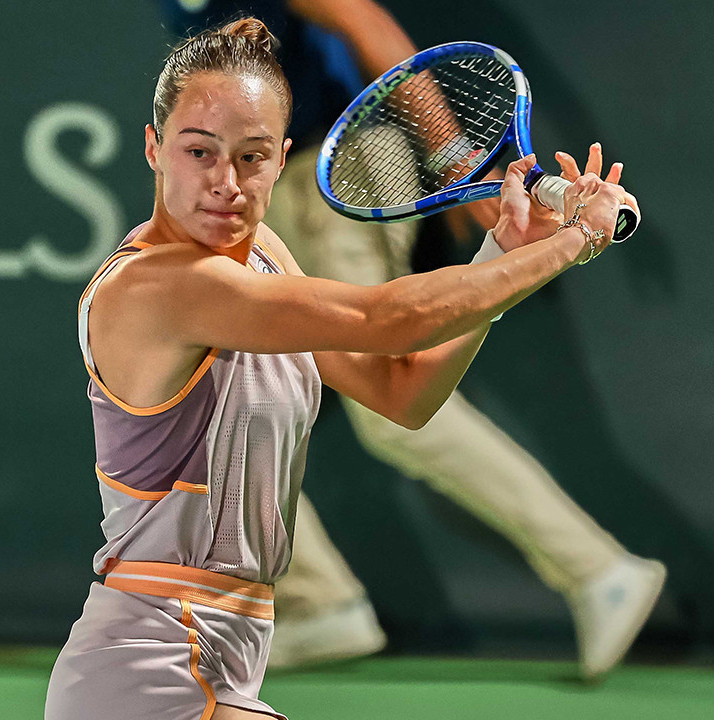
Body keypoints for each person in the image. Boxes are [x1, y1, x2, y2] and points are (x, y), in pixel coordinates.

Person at [45, 18, 630, 720]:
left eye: (253, 157)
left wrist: (498, 259)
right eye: (199, 151)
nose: (225, 183)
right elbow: (390, 319)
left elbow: (401, 390)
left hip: (223, 660)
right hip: (149, 666)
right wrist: (573, 240)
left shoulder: (264, 257)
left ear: (283, 155)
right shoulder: (160, 287)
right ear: (153, 149)